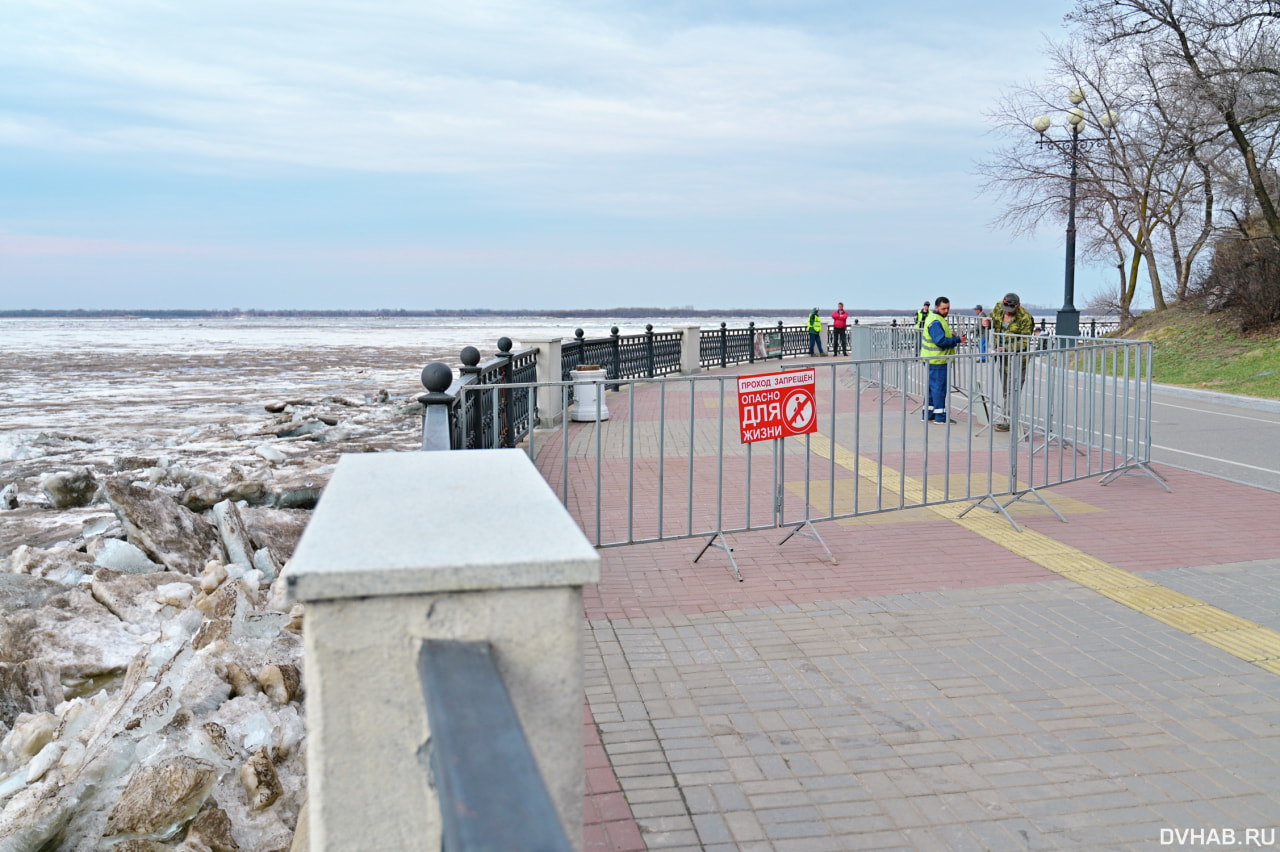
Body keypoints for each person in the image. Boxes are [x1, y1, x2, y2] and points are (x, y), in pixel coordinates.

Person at [982, 292, 1035, 432]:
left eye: (1011, 310)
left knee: (1013, 390)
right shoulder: (999, 306)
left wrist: (1005, 348)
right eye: (1006, 310)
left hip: (1017, 359)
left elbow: (1024, 341)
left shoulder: (1025, 317)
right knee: (1006, 390)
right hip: (1003, 358)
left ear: (1018, 306)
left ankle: (1010, 421)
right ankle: (1008, 420)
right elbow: (992, 319)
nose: (1007, 312)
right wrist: (986, 323)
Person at [921, 297, 967, 424]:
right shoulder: (935, 321)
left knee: (931, 389)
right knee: (939, 389)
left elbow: (939, 337)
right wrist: (957, 340)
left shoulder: (936, 319)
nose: (946, 311)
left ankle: (928, 414)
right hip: (937, 361)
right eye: (943, 308)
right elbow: (939, 341)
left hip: (932, 359)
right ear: (936, 308)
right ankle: (940, 417)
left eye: (948, 308)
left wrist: (950, 336)